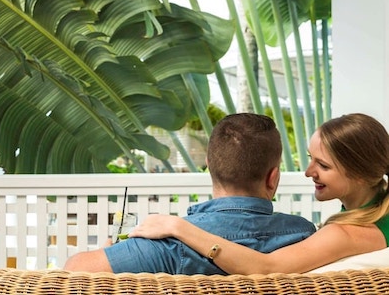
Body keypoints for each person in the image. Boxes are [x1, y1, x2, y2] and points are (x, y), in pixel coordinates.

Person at [129, 112, 389, 274]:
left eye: (323, 165)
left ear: (361, 174)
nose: (308, 172)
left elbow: (266, 269)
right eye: (311, 159)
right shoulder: (370, 214)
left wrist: (179, 227)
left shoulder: (347, 233)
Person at [63, 113, 317, 273]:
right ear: (273, 178)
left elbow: (74, 272)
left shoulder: (165, 244)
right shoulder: (303, 237)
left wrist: (109, 249)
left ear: (210, 164)